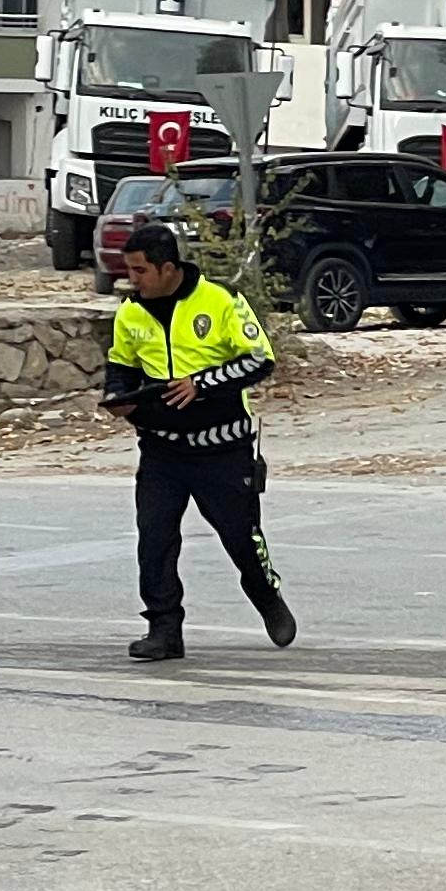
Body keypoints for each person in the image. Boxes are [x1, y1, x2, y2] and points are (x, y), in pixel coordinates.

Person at [105, 220, 294, 662]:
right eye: (129, 270)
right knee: (154, 540)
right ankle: (163, 629)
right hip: (161, 449)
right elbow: (121, 365)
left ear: (167, 268)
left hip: (222, 450)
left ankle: (266, 596)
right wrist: (118, 397)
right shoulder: (131, 312)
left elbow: (260, 360)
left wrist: (202, 384)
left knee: (241, 539)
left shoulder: (221, 300)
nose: (131, 279)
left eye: (139, 271)